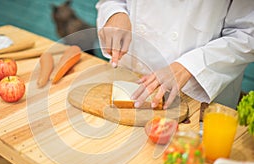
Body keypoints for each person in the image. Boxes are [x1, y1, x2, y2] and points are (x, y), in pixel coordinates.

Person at [96, 0, 254, 109]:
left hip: (195, 99)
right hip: (128, 76)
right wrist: (114, 12)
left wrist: (189, 66)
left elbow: (247, 34)